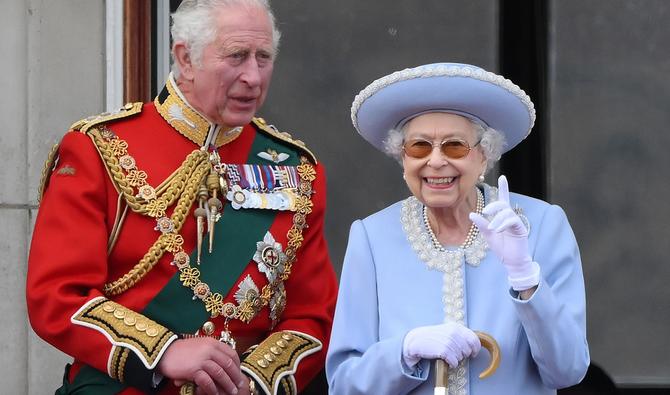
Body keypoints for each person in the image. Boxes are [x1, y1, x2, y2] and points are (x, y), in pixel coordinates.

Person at [26, 1, 337, 394]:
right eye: (237, 56)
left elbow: (314, 315)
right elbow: (58, 297)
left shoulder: (297, 170)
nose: (253, 77)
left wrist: (255, 379)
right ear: (185, 58)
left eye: (264, 58)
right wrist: (163, 353)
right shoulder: (99, 149)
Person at [326, 63, 590, 394]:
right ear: (403, 159)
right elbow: (344, 384)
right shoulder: (372, 238)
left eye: (454, 146)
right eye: (419, 146)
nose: (435, 161)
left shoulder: (542, 226)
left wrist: (525, 278)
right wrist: (404, 351)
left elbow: (568, 370)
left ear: (484, 156)